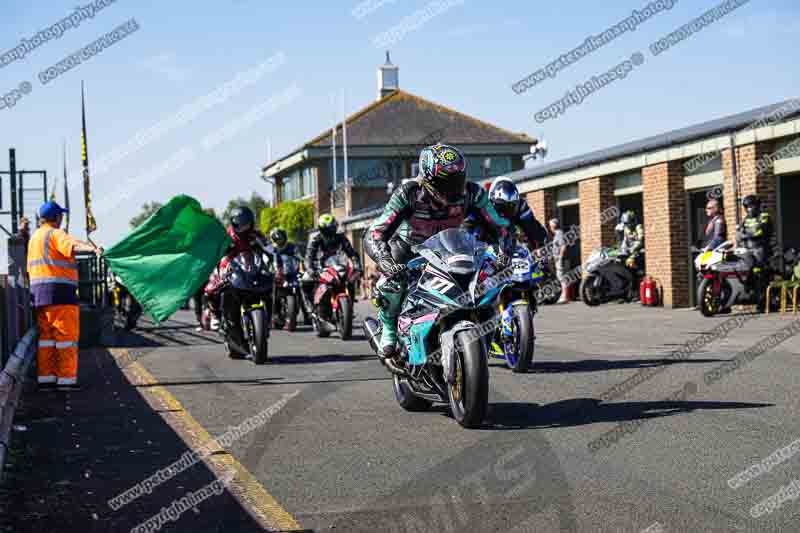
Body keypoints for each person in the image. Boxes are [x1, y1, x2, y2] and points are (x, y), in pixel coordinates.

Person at [364, 143, 511, 359]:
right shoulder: (408, 194)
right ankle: (389, 329)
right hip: (408, 254)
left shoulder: (473, 194)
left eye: (458, 180)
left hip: (451, 249)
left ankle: (486, 332)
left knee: (487, 284)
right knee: (392, 284)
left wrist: (502, 252)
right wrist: (384, 260)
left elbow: (500, 227)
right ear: (427, 179)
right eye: (446, 182)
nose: (454, 188)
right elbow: (375, 232)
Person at [27, 201, 102, 390]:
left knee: (47, 339)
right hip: (60, 294)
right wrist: (94, 249)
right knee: (65, 338)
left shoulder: (35, 237)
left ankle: (46, 378)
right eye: (61, 215)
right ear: (56, 217)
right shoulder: (55, 233)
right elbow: (72, 246)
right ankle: (66, 380)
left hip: (38, 295)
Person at [204, 206, 270, 330]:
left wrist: (272, 254)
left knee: (269, 281)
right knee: (213, 287)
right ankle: (215, 314)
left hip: (250, 267)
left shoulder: (256, 234)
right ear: (234, 223)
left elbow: (269, 247)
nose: (245, 227)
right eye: (242, 224)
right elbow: (217, 252)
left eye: (247, 223)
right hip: (229, 266)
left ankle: (272, 314)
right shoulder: (226, 236)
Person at [302, 215, 362, 321]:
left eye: (333, 227)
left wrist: (357, 265)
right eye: (329, 228)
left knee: (351, 280)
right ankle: (309, 306)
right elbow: (308, 257)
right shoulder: (316, 240)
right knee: (304, 279)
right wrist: (310, 269)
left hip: (338, 267)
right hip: (320, 269)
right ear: (322, 229)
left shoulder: (341, 238)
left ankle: (349, 307)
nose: (332, 230)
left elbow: (352, 253)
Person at [487, 177, 549, 250]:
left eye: (511, 206)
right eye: (501, 206)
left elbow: (534, 228)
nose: (505, 212)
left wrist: (540, 245)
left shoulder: (522, 207)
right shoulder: (484, 207)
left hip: (515, 253)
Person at [736, 195, 774, 311]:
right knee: (742, 270)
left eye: (751, 206)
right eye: (747, 207)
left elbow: (760, 231)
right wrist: (745, 235)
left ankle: (763, 302)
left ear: (757, 206)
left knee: (759, 273)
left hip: (761, 249)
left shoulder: (764, 216)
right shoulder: (745, 219)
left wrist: (747, 235)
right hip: (747, 249)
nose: (749, 209)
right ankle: (746, 293)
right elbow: (738, 234)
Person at [269, 227, 311, 326]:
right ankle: (275, 314)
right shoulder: (273, 249)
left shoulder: (292, 246)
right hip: (278, 274)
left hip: (293, 272)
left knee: (302, 290)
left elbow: (300, 258)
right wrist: (271, 271)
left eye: (281, 238)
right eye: (277, 239)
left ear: (285, 237)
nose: (280, 241)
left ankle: (307, 315)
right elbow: (268, 261)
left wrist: (302, 268)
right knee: (272, 291)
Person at [548, 218, 570, 304]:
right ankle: (564, 295)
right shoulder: (558, 234)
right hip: (558, 259)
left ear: (553, 226)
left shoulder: (559, 234)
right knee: (561, 277)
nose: (550, 228)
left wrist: (560, 257)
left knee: (562, 277)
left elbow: (563, 246)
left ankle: (565, 296)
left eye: (550, 226)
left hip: (561, 259)